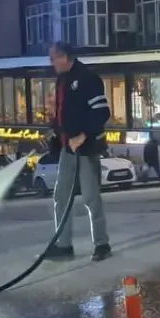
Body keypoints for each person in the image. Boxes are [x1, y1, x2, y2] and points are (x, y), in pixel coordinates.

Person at [47, 41, 111, 262]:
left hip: (86, 149)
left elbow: (102, 112)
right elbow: (62, 114)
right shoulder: (62, 80)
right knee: (61, 197)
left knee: (91, 197)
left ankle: (102, 244)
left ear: (65, 57)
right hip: (67, 149)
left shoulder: (87, 79)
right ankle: (64, 245)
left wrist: (82, 135)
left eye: (53, 58)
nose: (51, 62)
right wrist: (56, 134)